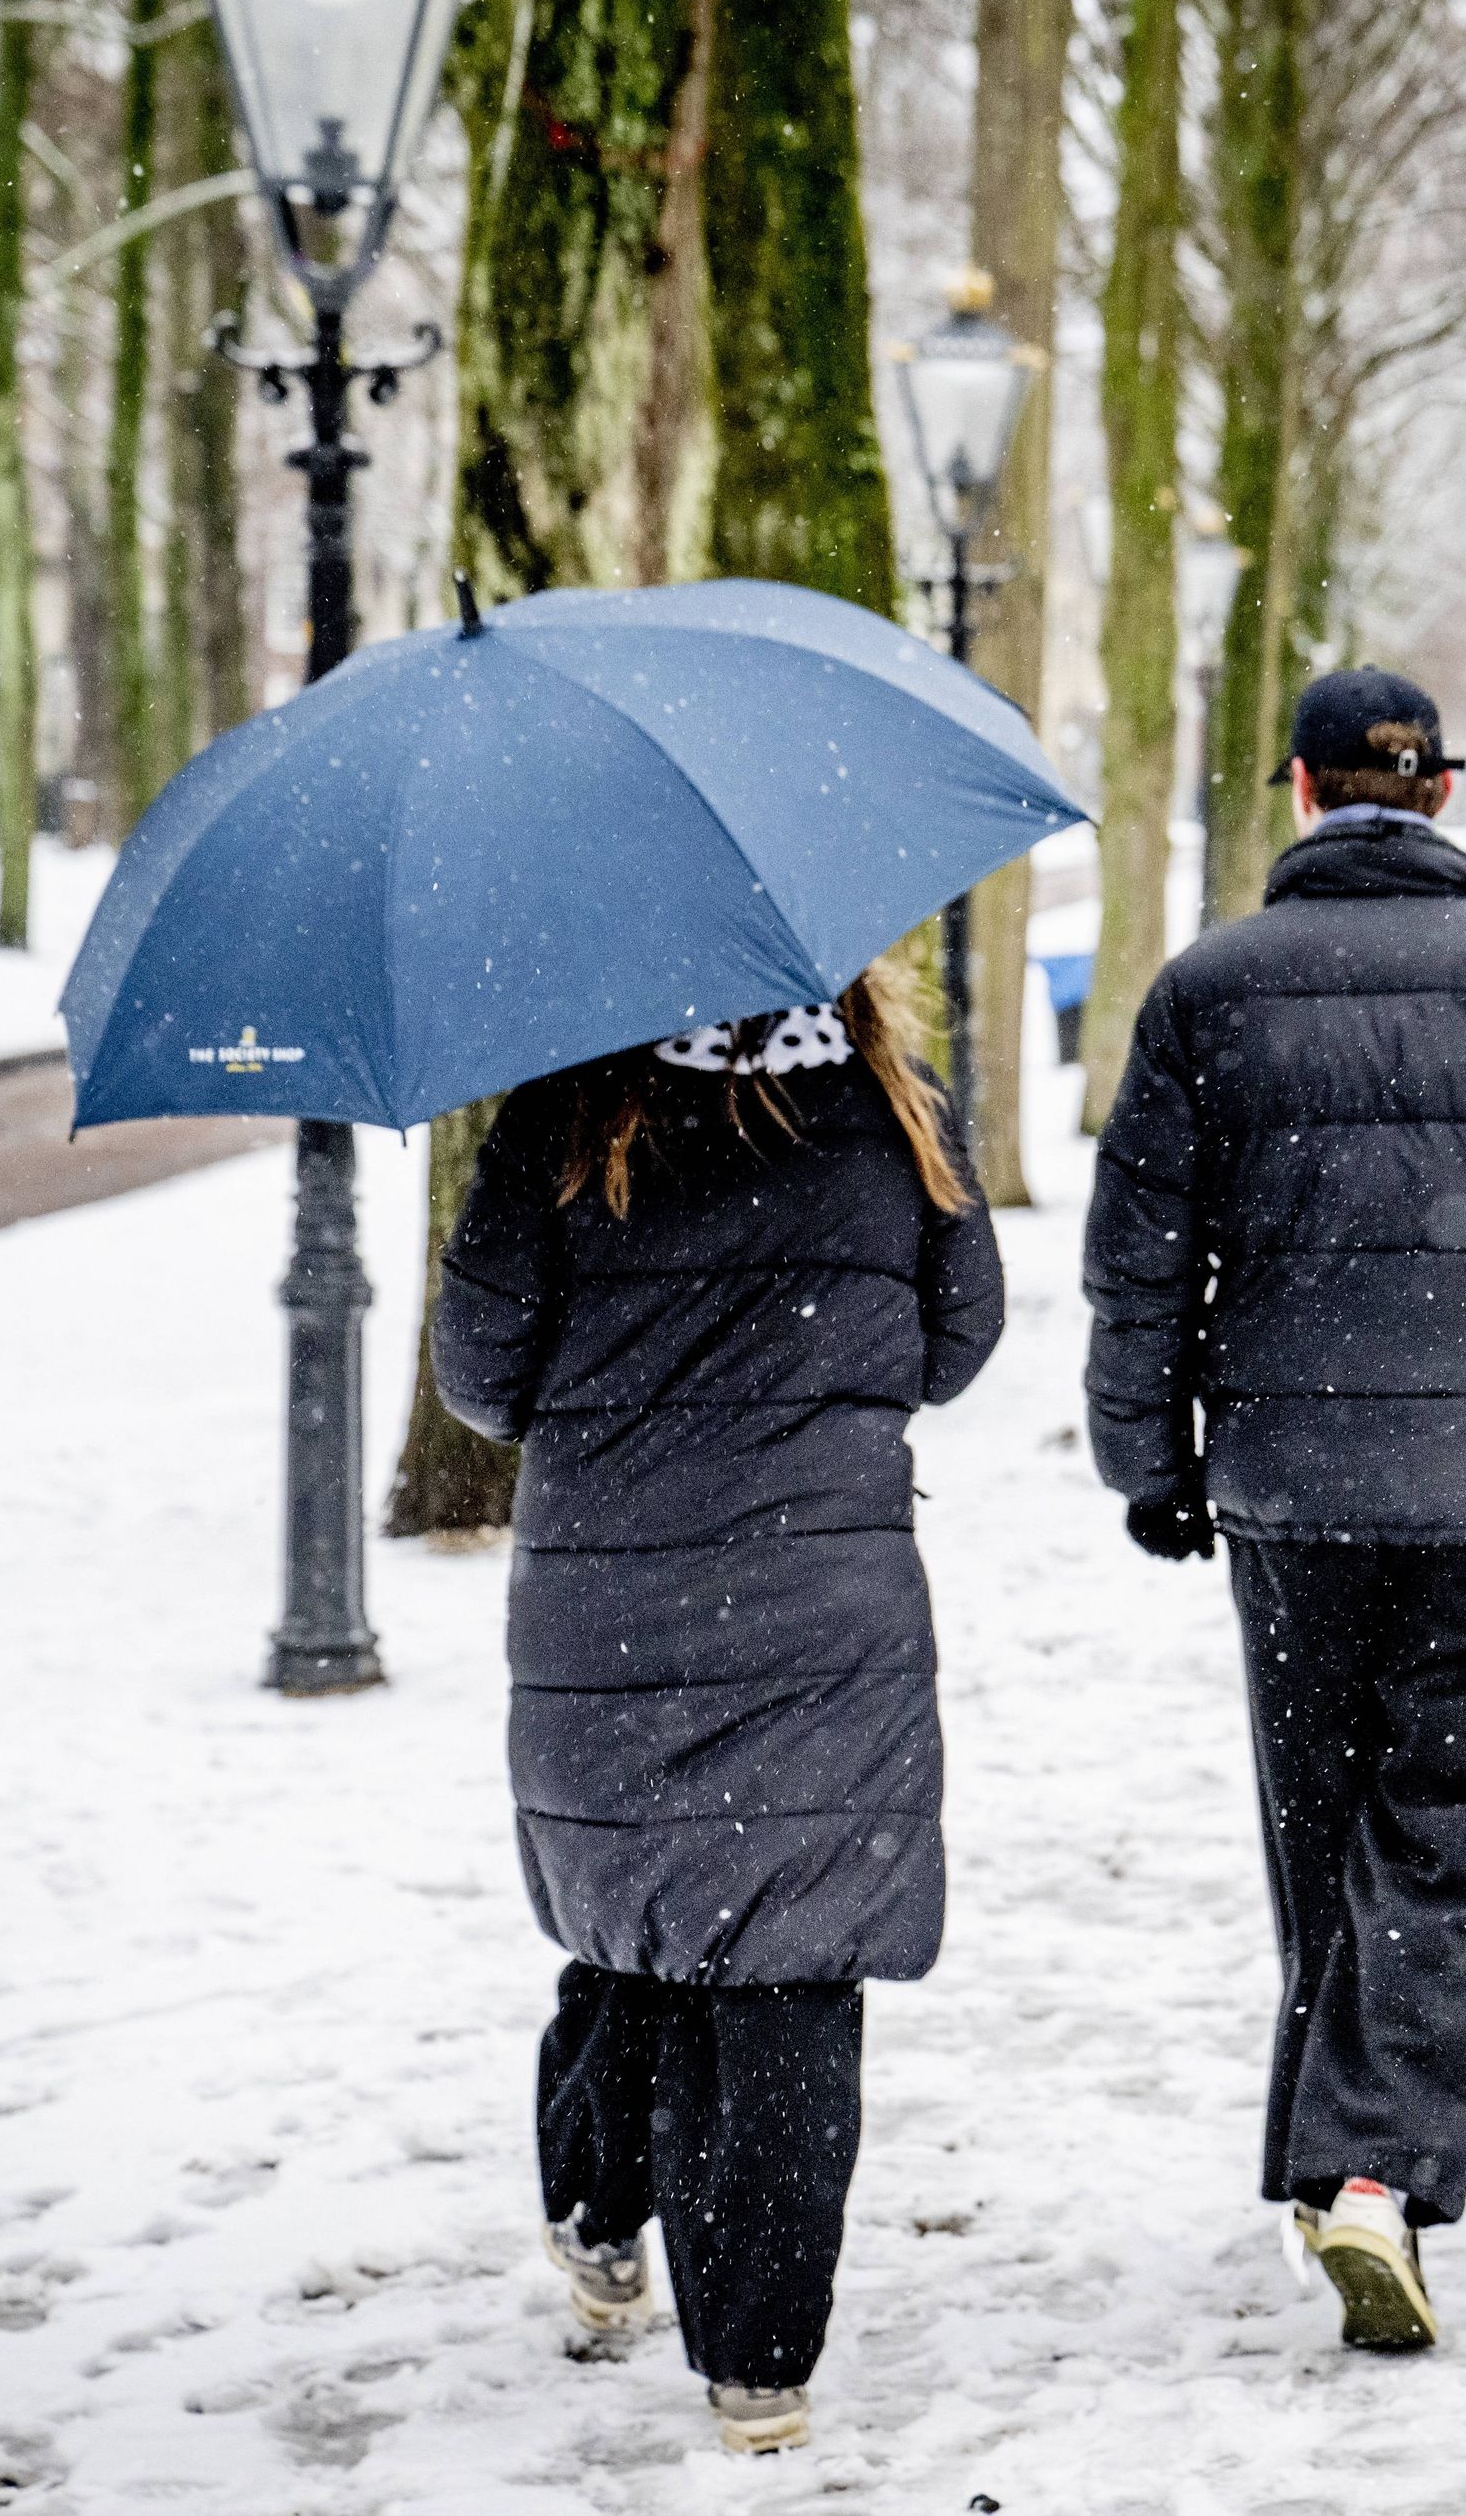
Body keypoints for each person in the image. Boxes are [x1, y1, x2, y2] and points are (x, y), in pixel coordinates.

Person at [1082, 666, 1466, 2355]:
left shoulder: (1208, 992)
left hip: (1289, 1493)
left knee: (1325, 1823)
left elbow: (1137, 1259)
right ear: (1437, 800)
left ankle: (1331, 2150)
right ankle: (1378, 2173)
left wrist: (1149, 1460)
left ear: (1298, 791)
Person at [431, 960, 1001, 2458]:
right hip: (826, 1597)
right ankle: (759, 2356)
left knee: (638, 1913)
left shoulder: (566, 1111)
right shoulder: (895, 1109)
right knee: (792, 1955)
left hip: (609, 1595)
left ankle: (596, 2200)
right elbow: (957, 1340)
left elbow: (481, 1377)